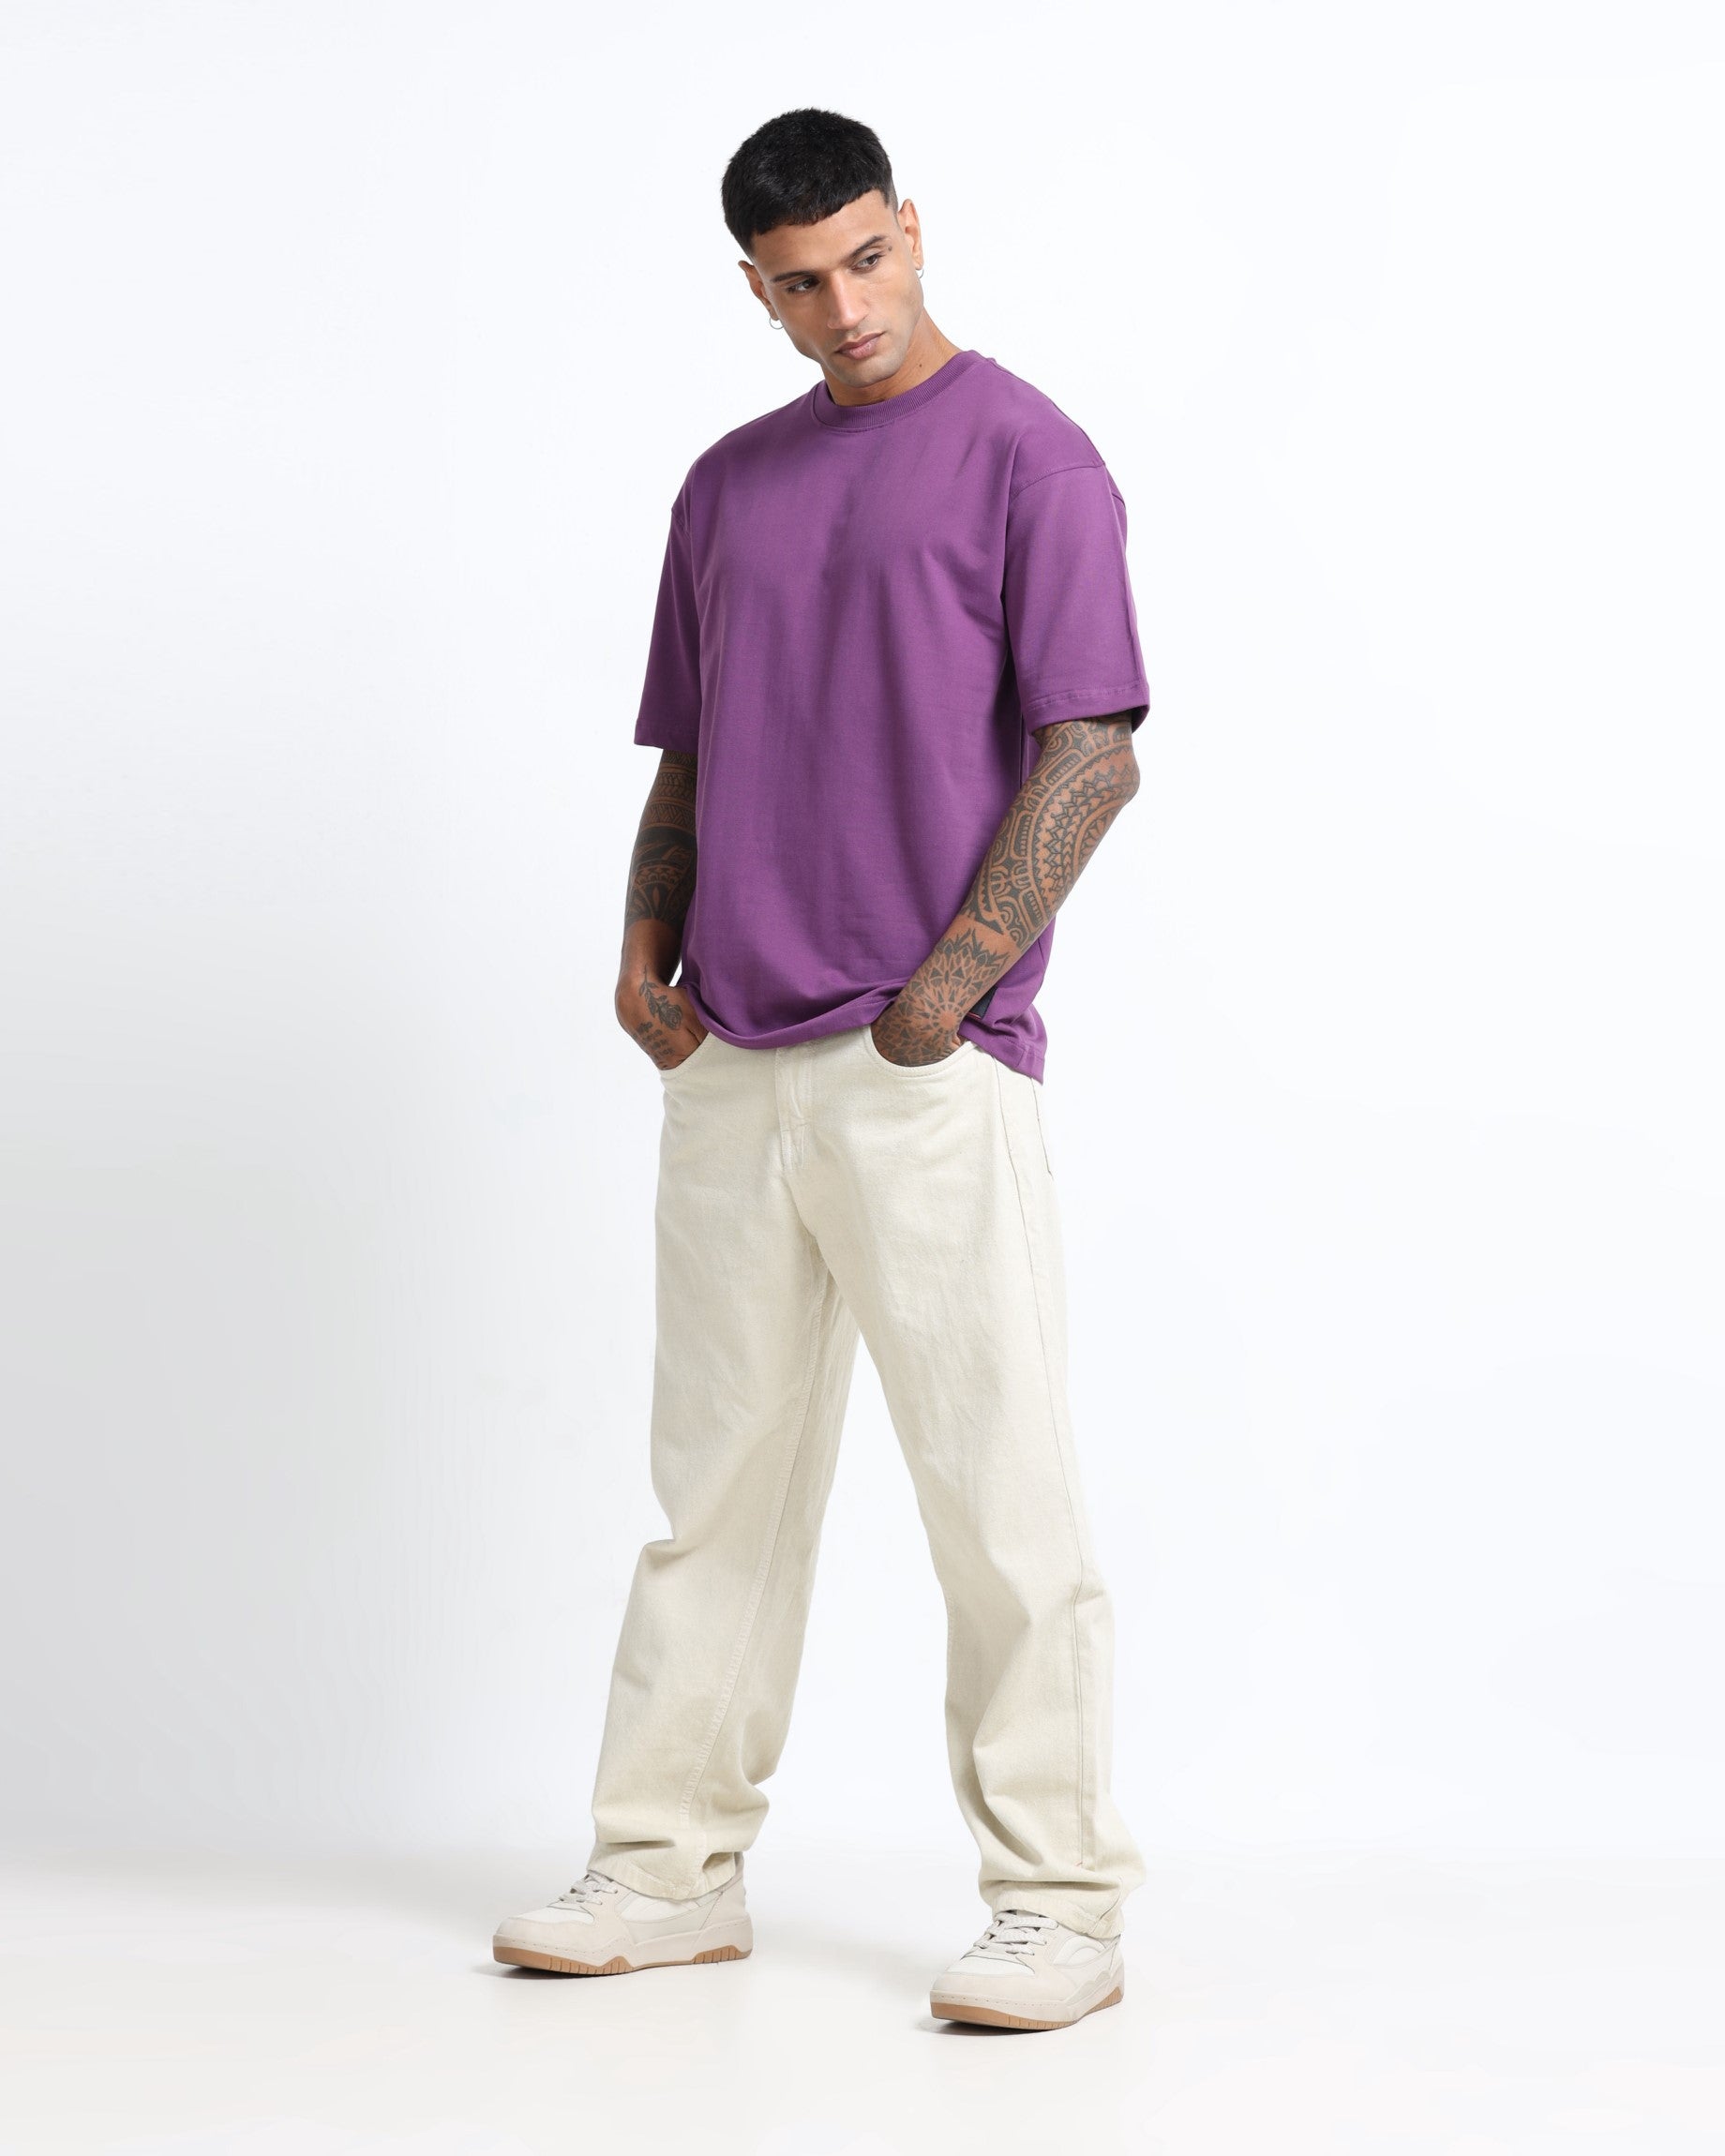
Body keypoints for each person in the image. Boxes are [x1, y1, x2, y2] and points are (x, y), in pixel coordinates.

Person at [493, 106, 1150, 2032]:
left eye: (866, 259)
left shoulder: (1030, 453)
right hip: (732, 1054)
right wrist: (644, 952)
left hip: (924, 1061)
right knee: (712, 1494)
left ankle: (1057, 1905)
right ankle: (664, 1871)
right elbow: (690, 750)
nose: (845, 306)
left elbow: (1093, 747)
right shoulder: (728, 486)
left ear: (911, 228)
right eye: (800, 283)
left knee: (997, 1501)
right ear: (755, 290)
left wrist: (946, 991)